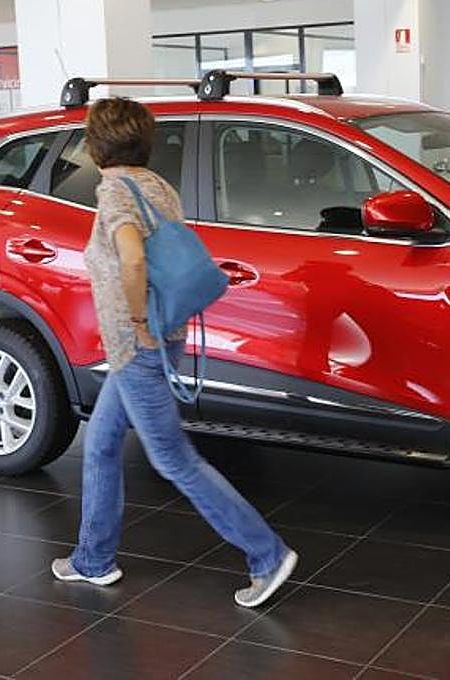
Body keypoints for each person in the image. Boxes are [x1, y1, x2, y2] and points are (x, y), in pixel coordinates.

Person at [51, 97, 297, 608]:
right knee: (99, 444)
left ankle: (266, 555)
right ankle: (92, 560)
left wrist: (138, 321)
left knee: (173, 459)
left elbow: (135, 260)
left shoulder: (115, 191)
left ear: (96, 146)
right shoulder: (156, 185)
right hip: (154, 338)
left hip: (139, 344)